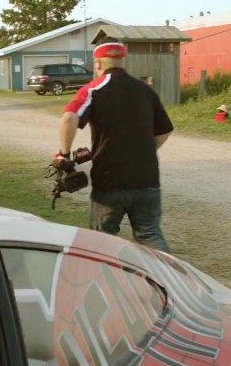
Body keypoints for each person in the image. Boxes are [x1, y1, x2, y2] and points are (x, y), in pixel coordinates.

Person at [55, 39, 174, 252]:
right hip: (146, 178)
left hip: (110, 179)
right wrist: (142, 151)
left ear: (98, 64)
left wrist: (63, 155)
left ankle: (102, 281)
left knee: (102, 240)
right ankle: (169, 281)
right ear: (122, 60)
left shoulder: (93, 89)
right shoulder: (145, 90)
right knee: (150, 234)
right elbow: (165, 130)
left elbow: (69, 118)